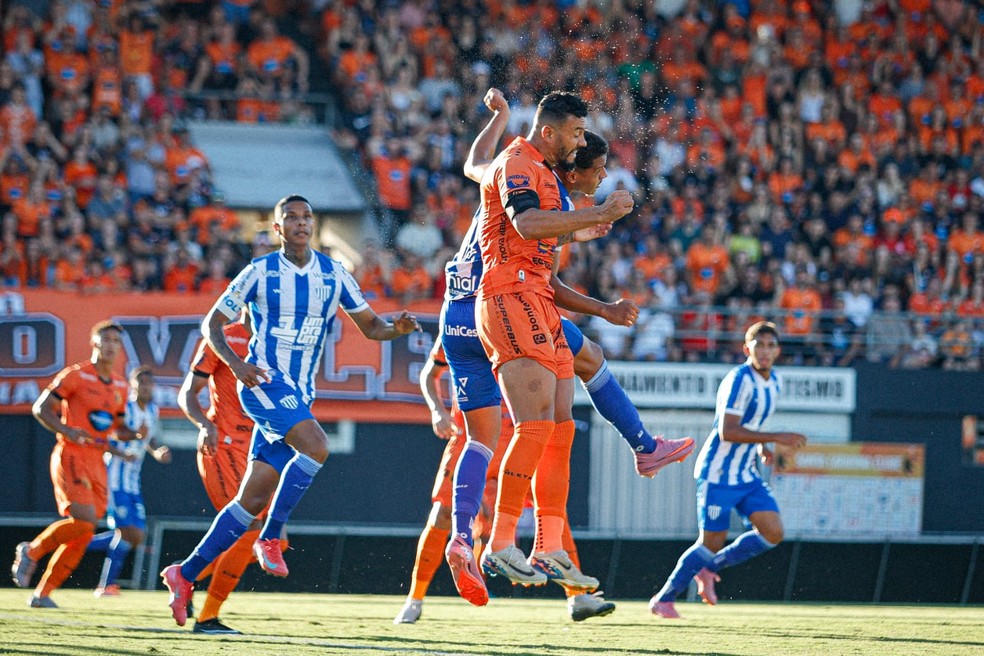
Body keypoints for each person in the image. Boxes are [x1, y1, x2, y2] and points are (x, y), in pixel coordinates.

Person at [161, 195, 420, 627]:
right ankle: (271, 536)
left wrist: (398, 329)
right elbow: (213, 323)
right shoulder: (259, 272)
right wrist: (238, 364)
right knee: (317, 446)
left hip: (299, 392)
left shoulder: (333, 273)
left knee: (251, 499)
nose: (300, 224)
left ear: (314, 226)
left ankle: (183, 574)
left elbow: (373, 327)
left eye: (307, 218)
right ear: (278, 228)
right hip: (263, 383)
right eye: (291, 218)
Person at [650, 321, 808, 619]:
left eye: (770, 345)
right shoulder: (738, 380)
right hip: (717, 473)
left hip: (746, 474)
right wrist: (775, 437)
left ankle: (710, 568)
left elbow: (752, 425)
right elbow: (727, 431)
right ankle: (663, 599)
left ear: (778, 351)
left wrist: (761, 446)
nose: (765, 351)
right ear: (746, 348)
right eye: (758, 345)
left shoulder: (775, 381)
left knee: (773, 532)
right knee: (710, 541)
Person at [12, 320, 146, 608]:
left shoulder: (120, 386)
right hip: (71, 454)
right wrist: (67, 430)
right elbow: (40, 408)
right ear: (95, 343)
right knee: (85, 520)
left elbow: (116, 429)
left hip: (98, 461)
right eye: (106, 339)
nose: (111, 345)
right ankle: (32, 550)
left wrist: (132, 435)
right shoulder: (76, 375)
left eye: (116, 341)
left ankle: (43, 593)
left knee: (85, 532)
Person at [175, 311, 260, 635]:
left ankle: (186, 574)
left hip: (256, 452)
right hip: (222, 445)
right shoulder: (224, 337)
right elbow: (188, 393)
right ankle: (207, 618)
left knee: (268, 542)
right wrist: (204, 424)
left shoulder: (277, 341)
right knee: (251, 525)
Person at [89, 366, 172, 598]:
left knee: (135, 535)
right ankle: (105, 584)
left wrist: (157, 452)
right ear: (132, 385)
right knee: (128, 533)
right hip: (115, 477)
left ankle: (73, 542)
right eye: (141, 383)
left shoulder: (153, 410)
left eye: (149, 383)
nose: (146, 387)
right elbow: (111, 435)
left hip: (132, 481)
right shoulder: (125, 407)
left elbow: (151, 438)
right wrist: (129, 445)